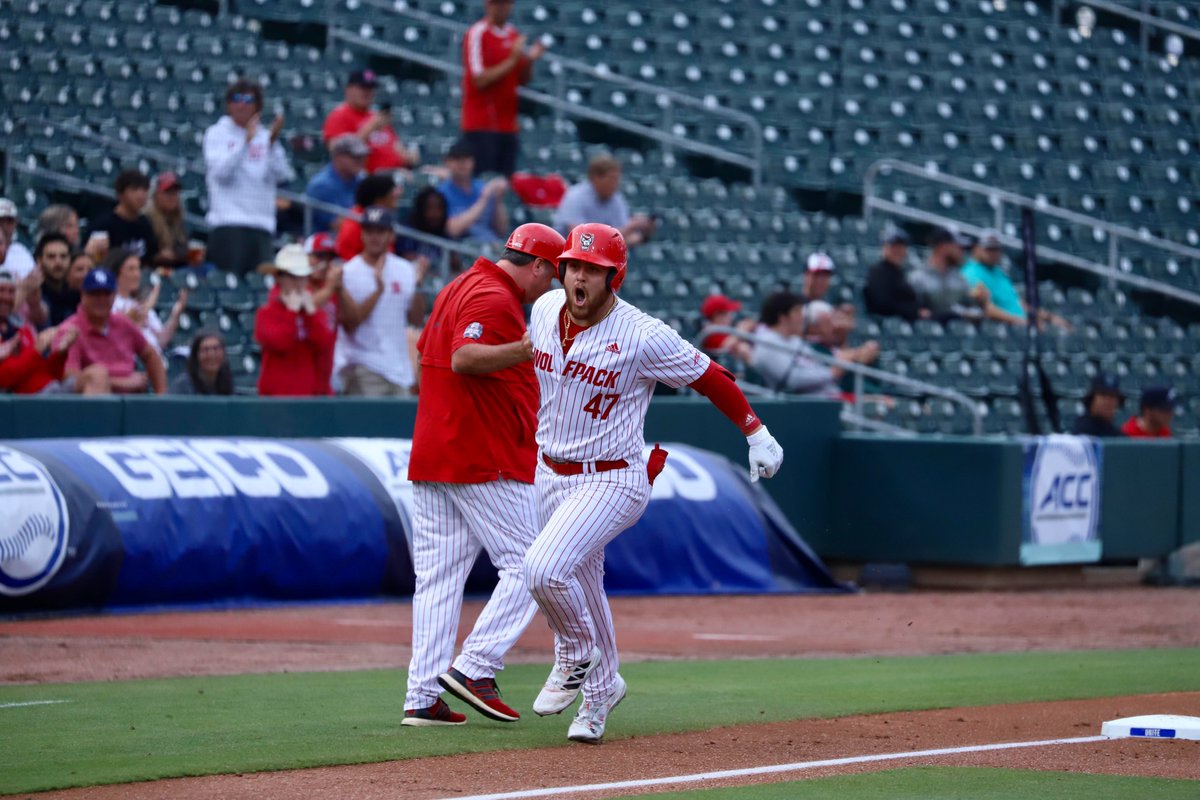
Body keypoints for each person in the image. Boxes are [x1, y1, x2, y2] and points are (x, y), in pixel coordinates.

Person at [523, 223, 784, 744]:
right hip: (549, 471)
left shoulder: (643, 334)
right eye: (574, 265)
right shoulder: (545, 309)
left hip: (613, 478)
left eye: (592, 270)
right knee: (586, 587)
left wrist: (756, 432)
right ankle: (601, 692)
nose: (579, 276)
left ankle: (575, 656)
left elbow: (710, 376)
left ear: (613, 277)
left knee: (544, 570)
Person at [401, 223, 565, 727]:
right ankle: (475, 666)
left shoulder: (458, 285)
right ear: (536, 265)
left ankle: (423, 697)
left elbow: (430, 354)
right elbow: (463, 358)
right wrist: (525, 348)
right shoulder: (494, 296)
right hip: (479, 453)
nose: (555, 286)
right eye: (553, 274)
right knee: (532, 565)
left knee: (438, 581)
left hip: (436, 450)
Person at [203, 79, 294, 276]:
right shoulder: (216, 133)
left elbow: (281, 175)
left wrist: (271, 144)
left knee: (260, 288)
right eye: (236, 98)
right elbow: (220, 173)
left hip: (261, 225)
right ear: (228, 104)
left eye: (248, 99)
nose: (242, 104)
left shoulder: (265, 137)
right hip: (229, 223)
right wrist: (245, 143)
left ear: (257, 106)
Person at [337, 207, 417, 396]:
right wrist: (377, 291)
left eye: (380, 231)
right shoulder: (348, 272)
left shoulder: (404, 269)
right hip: (364, 364)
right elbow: (350, 324)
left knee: (401, 425)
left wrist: (418, 287)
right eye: (369, 231)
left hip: (399, 369)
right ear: (362, 234)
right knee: (366, 425)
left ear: (391, 235)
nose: (374, 237)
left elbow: (415, 317)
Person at [461, 0, 546, 177]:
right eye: (497, 3)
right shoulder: (478, 33)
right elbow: (479, 79)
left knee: (504, 186)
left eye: (505, 3)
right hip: (481, 123)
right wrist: (512, 60)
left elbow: (522, 80)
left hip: (507, 124)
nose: (501, 7)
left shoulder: (512, 34)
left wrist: (529, 60)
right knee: (483, 182)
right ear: (488, 5)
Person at [58, 268, 167, 395]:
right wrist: (121, 382)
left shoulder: (123, 323)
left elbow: (150, 355)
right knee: (97, 374)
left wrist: (161, 395)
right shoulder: (70, 329)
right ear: (83, 295)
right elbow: (70, 378)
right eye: (95, 294)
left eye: (106, 294)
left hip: (130, 401)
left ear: (114, 296)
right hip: (87, 403)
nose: (101, 299)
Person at [254, 244, 337, 396]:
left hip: (310, 396)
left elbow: (324, 345)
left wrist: (310, 313)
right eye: (292, 276)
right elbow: (281, 343)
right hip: (277, 399)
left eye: (303, 276)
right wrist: (291, 312)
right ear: (279, 278)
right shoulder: (266, 313)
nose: (299, 282)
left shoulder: (313, 312)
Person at [962, 229, 1071, 330]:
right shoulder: (971, 272)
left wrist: (1049, 317)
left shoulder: (998, 272)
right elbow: (988, 310)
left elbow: (1017, 303)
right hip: (1003, 329)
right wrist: (1024, 323)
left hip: (1021, 327)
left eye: (996, 248)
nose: (994, 253)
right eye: (989, 248)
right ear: (976, 248)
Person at [322, 69, 420, 175]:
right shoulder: (339, 116)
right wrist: (370, 128)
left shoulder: (377, 116)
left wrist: (409, 157)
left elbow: (396, 149)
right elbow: (337, 154)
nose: (367, 92)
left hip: (396, 176)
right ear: (348, 89)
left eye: (371, 88)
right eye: (362, 88)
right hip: (368, 180)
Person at [745, 291, 840, 397]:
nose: (802, 317)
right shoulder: (767, 343)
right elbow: (793, 380)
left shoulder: (794, 340)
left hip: (824, 400)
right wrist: (832, 373)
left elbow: (815, 367)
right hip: (799, 406)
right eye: (797, 311)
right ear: (782, 317)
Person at [551, 154, 656, 246]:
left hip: (596, 261)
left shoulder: (616, 199)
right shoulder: (575, 196)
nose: (615, 184)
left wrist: (643, 235)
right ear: (595, 178)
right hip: (565, 258)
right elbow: (582, 240)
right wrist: (631, 226)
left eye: (617, 179)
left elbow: (620, 241)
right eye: (611, 179)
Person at [0, 269, 76, 394]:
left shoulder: (21, 326)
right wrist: (36, 351)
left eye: (11, 292)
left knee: (73, 383)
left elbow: (45, 373)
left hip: (38, 397)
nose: (6, 297)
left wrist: (60, 354)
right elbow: (4, 378)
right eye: (1, 291)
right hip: (10, 405)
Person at [108, 248, 187, 354]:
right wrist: (146, 308)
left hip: (156, 359)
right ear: (116, 273)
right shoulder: (109, 303)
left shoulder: (138, 303)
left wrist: (175, 315)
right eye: (131, 269)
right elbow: (116, 335)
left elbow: (161, 341)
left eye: (138, 269)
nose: (137, 274)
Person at [439, 140, 508, 243]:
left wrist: (498, 201)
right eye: (457, 158)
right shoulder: (441, 192)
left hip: (492, 244)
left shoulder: (481, 186)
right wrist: (483, 200)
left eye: (466, 158)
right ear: (448, 162)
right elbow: (452, 230)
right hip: (463, 248)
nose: (462, 163)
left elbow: (501, 231)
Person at [910, 226, 982, 322]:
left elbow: (975, 311)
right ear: (943, 247)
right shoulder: (917, 278)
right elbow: (913, 314)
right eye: (958, 247)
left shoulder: (960, 278)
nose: (962, 252)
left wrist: (981, 301)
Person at [87, 170, 159, 265]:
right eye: (134, 189)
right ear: (120, 194)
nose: (140, 195)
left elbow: (151, 257)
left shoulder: (145, 223)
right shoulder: (103, 224)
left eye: (144, 190)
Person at [305, 134, 367, 234]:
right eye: (355, 157)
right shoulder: (321, 185)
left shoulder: (361, 179)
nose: (360, 161)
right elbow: (337, 225)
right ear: (337, 157)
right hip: (324, 243)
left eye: (362, 157)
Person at [863, 226, 928, 320]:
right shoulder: (878, 272)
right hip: (891, 322)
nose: (898, 251)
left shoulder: (899, 272)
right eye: (894, 247)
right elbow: (882, 305)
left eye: (901, 247)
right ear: (884, 248)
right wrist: (914, 311)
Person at [335, 173, 402, 262]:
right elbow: (347, 256)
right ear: (379, 199)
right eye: (392, 196)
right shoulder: (356, 222)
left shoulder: (380, 216)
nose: (395, 203)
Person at [22, 232, 76, 329]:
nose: (58, 262)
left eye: (63, 256)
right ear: (39, 261)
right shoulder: (32, 292)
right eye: (51, 256)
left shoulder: (77, 292)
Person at [397, 186, 454, 279]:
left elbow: (455, 265)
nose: (435, 214)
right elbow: (407, 259)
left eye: (439, 208)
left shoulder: (445, 235)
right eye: (429, 208)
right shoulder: (407, 233)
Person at [145, 172, 190, 269]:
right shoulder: (146, 219)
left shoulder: (179, 220)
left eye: (175, 193)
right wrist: (158, 256)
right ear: (155, 195)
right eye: (167, 192)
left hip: (176, 269)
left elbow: (183, 249)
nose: (172, 197)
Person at [170, 330, 234, 395]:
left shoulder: (227, 382)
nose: (211, 355)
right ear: (196, 355)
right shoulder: (182, 387)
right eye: (205, 350)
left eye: (216, 349)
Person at [0, 197, 37, 279]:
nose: (4, 226)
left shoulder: (21, 251)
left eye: (9, 221)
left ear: (15, 224)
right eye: (1, 220)